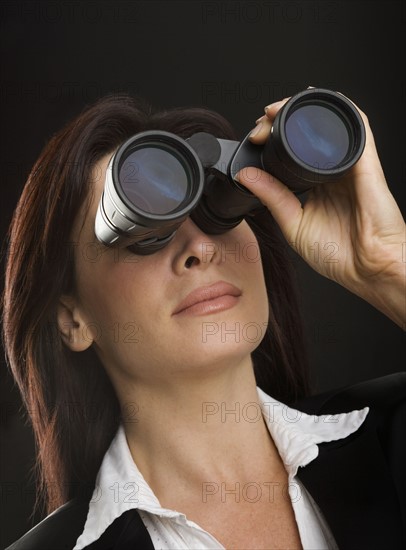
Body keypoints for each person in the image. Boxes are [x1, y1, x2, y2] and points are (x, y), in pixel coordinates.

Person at [2, 92, 405, 550]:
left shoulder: (392, 431)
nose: (201, 247)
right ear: (73, 320)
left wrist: (389, 267)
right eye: (147, 234)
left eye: (218, 211)